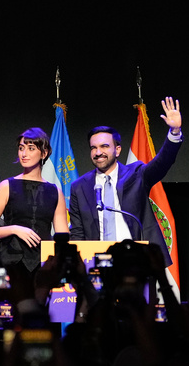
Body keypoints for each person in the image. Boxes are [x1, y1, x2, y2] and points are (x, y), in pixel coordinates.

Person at [68, 97, 182, 266]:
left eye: (104, 146)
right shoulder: (80, 186)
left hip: (136, 259)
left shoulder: (136, 174)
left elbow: (162, 163)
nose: (98, 152)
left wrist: (174, 133)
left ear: (118, 149)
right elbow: (77, 232)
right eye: (94, 148)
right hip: (96, 262)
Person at [0, 127, 69, 271]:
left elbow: (63, 237)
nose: (24, 154)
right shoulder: (7, 186)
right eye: (21, 148)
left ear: (44, 153)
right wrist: (14, 229)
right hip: (10, 261)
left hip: (43, 264)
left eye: (31, 148)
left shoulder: (55, 192)